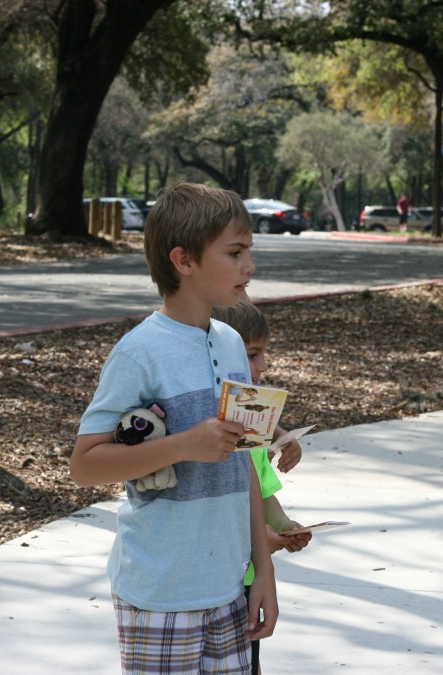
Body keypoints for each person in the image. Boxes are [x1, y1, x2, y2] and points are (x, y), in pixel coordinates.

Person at [71, 182, 278, 674]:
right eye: (235, 252)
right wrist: (186, 444)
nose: (249, 266)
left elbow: (247, 458)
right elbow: (84, 465)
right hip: (160, 594)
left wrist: (262, 569)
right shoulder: (138, 352)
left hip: (230, 588)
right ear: (184, 261)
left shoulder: (232, 344)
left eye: (249, 250)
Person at [213, 301, 312, 675]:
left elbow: (265, 499)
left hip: (248, 586)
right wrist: (260, 542)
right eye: (253, 355)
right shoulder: (207, 437)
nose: (265, 366)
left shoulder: (252, 437)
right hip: (216, 582)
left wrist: (285, 528)